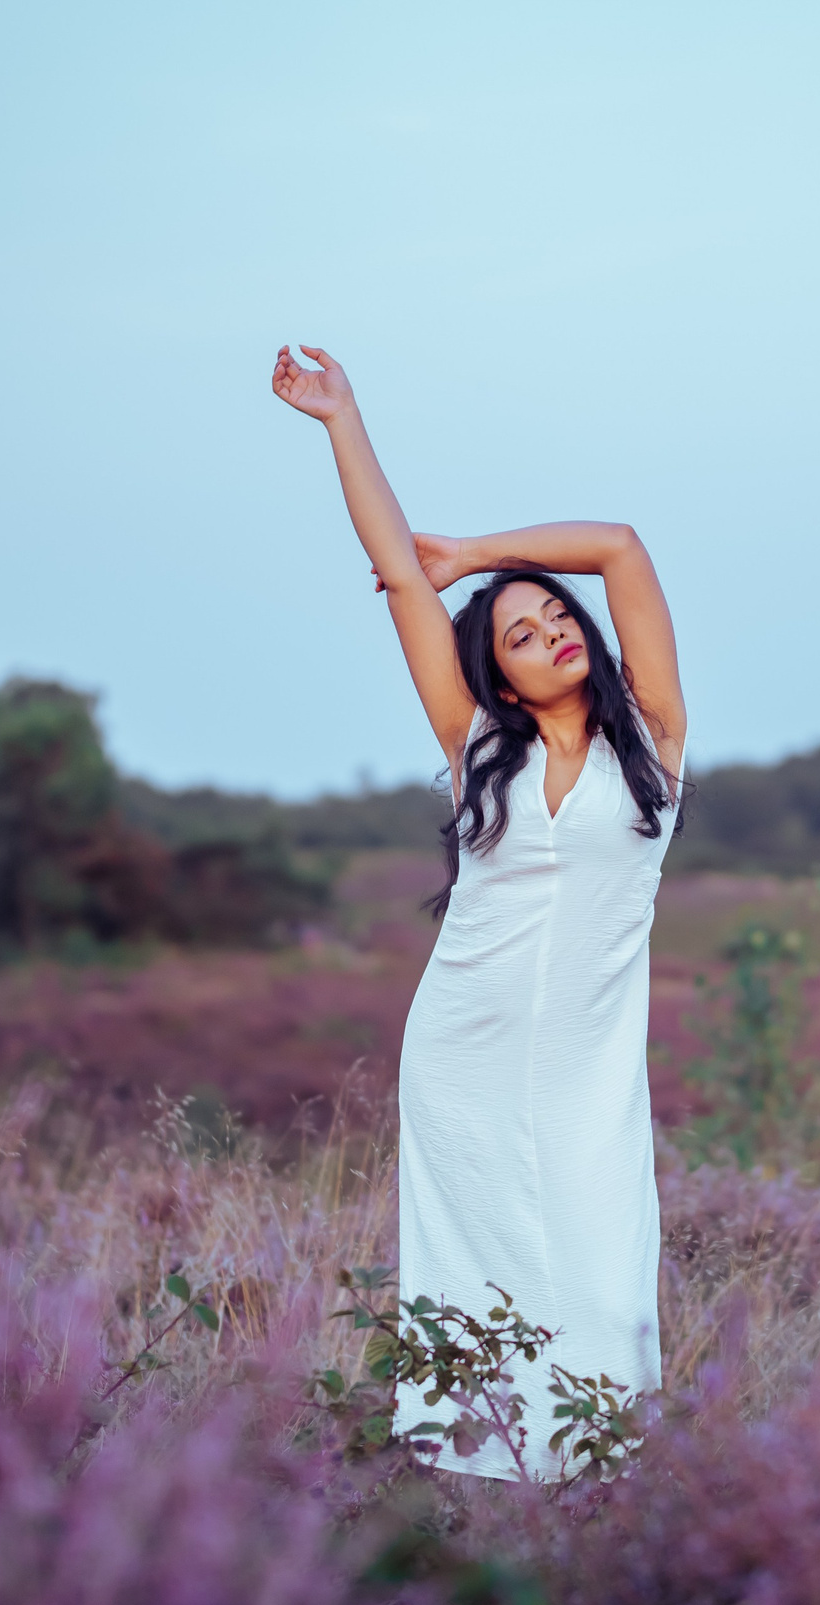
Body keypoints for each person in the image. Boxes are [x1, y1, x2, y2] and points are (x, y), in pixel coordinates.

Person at [271, 344, 687, 1481]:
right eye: (519, 630)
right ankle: (478, 1498)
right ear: (498, 680)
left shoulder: (649, 744)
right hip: (463, 1051)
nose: (553, 627)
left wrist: (484, 557)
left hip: (587, 1071)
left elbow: (619, 549)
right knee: (476, 1283)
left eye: (555, 616)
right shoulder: (478, 748)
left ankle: (596, 1495)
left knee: (600, 1283)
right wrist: (340, 418)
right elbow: (402, 583)